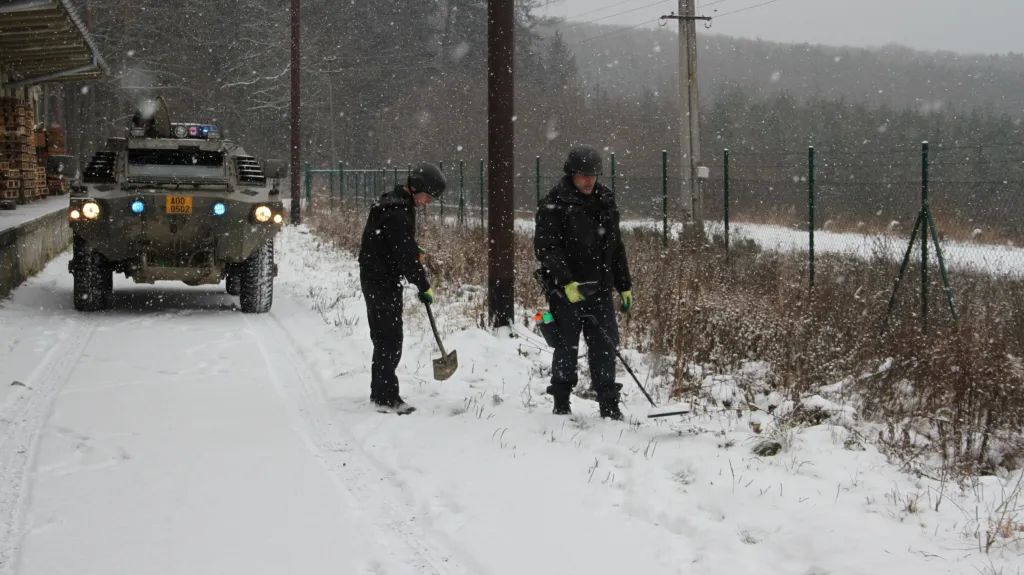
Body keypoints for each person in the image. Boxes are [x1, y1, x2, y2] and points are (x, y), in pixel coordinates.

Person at [534, 144, 633, 420]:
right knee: (566, 347)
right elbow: (546, 248)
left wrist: (624, 284)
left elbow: (615, 246)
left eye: (593, 175)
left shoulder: (606, 201)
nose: (589, 180)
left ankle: (609, 405)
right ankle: (561, 402)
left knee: (605, 346)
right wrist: (566, 281)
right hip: (567, 291)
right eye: (583, 175)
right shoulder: (554, 203)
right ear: (572, 174)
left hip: (600, 287)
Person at [358, 163, 446, 414]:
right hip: (381, 280)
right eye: (428, 196)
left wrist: (410, 249)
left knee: (384, 338)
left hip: (377, 276)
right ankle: (386, 398)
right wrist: (422, 284)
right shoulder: (398, 211)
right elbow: (404, 255)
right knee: (389, 340)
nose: (429, 202)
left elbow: (394, 243)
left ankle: (380, 392)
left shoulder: (393, 202)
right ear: (417, 187)